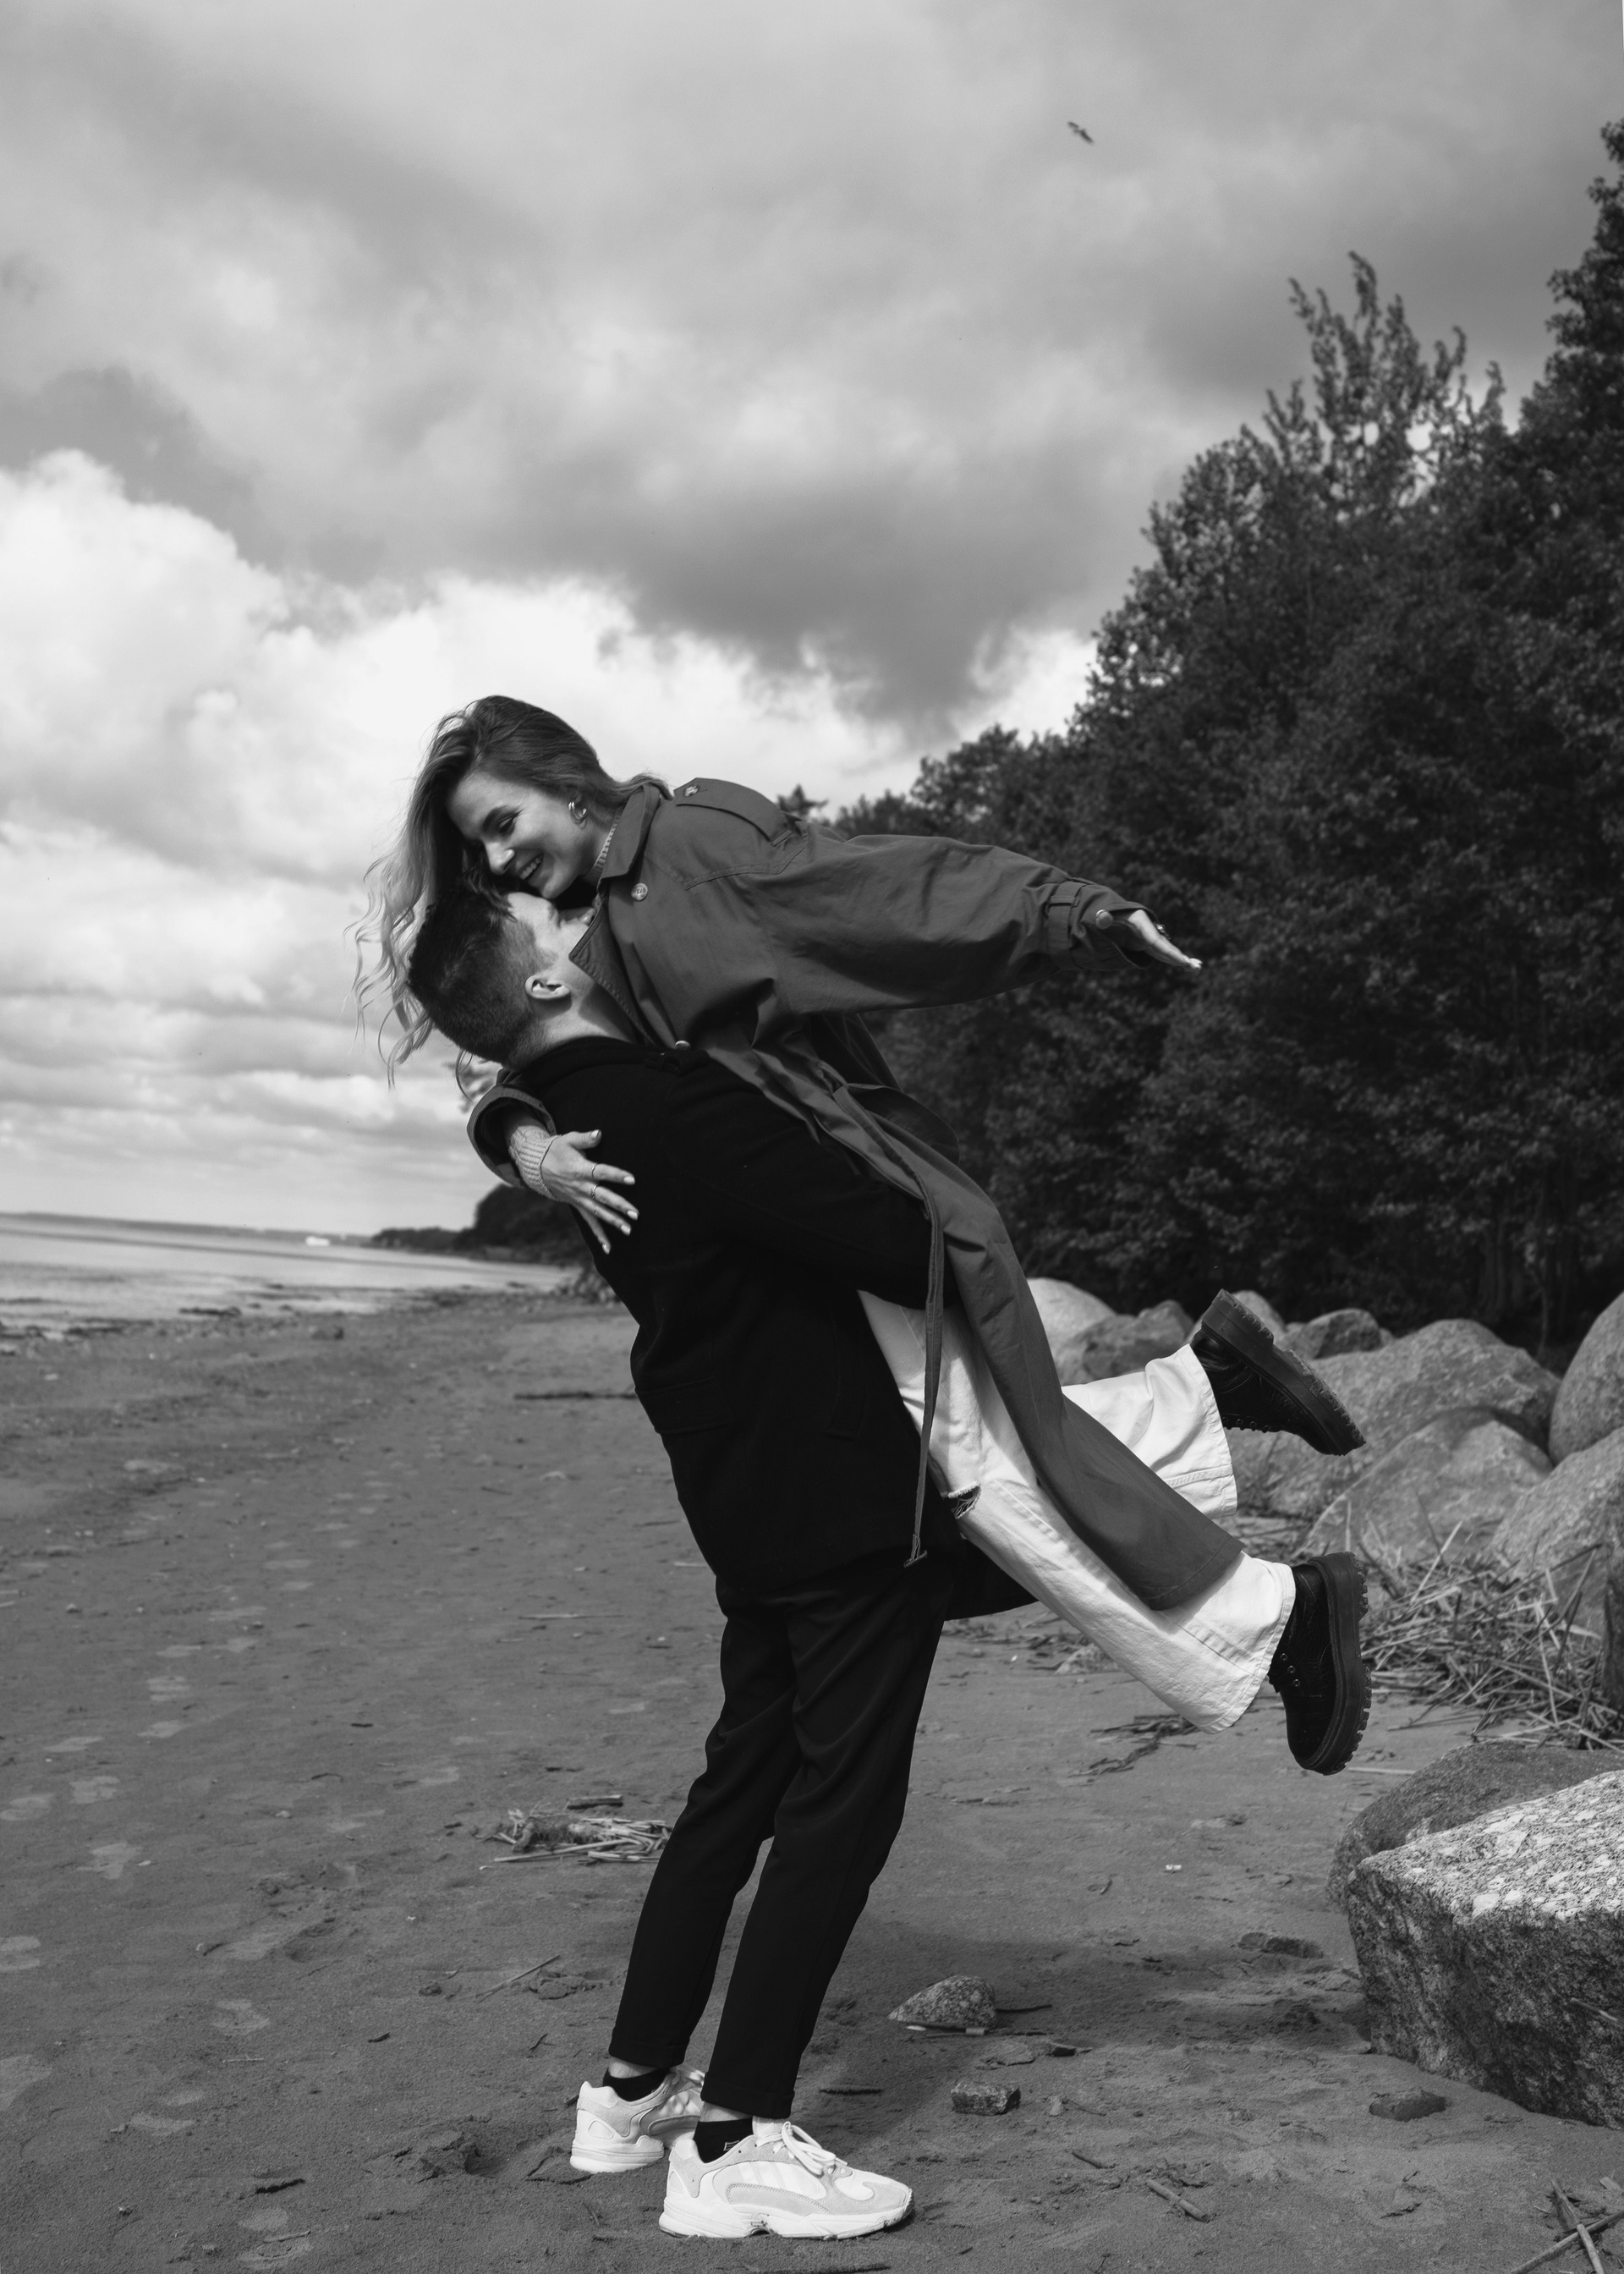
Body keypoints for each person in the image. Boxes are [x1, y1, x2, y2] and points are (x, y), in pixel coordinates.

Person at [403, 883, 1366, 2241]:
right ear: (550, 987)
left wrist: (517, 1125)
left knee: (744, 1787)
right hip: (834, 1493)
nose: (588, 935)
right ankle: (734, 2139)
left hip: (750, 1494)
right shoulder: (665, 1102)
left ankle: (627, 2098)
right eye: (551, 933)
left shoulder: (576, 1122)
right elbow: (890, 1237)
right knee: (844, 1805)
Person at [359, 695, 1367, 1657]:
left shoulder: (697, 851)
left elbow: (883, 893)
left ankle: (1275, 1611)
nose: (500, 859)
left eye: (503, 824)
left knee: (965, 1490)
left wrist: (1070, 910)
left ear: (565, 780)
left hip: (840, 1201)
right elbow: (517, 1050)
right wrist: (525, 1147)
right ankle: (1233, 1463)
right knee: (955, 1488)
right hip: (786, 1235)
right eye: (480, 850)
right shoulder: (594, 925)